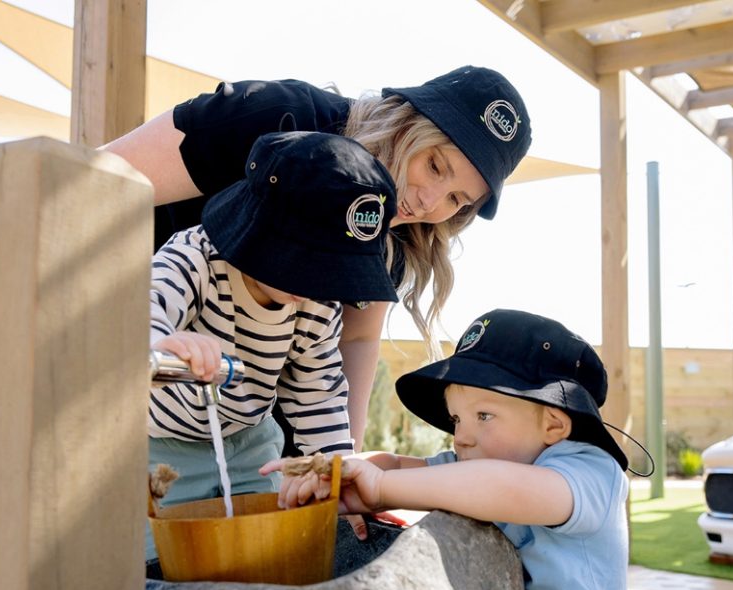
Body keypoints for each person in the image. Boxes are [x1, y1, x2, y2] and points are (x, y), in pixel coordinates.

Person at [104, 65, 532, 458]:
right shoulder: (274, 116)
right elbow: (97, 180)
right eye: (435, 165)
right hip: (123, 347)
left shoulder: (394, 229)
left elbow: (354, 343)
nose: (428, 202)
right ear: (406, 123)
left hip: (238, 420)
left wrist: (343, 470)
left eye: (457, 199)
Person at [262, 309, 630, 590]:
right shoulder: (487, 459)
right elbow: (400, 465)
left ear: (553, 423)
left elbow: (500, 487)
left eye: (483, 416)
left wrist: (381, 490)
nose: (462, 437)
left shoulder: (590, 473)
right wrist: (336, 472)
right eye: (457, 420)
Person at [147, 130, 398, 559]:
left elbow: (317, 392)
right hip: (163, 451)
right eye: (308, 263)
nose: (317, 284)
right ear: (260, 230)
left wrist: (336, 476)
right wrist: (164, 340)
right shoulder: (195, 258)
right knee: (163, 562)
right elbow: (143, 305)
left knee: (260, 554)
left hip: (249, 446)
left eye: (332, 270)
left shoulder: (316, 299)